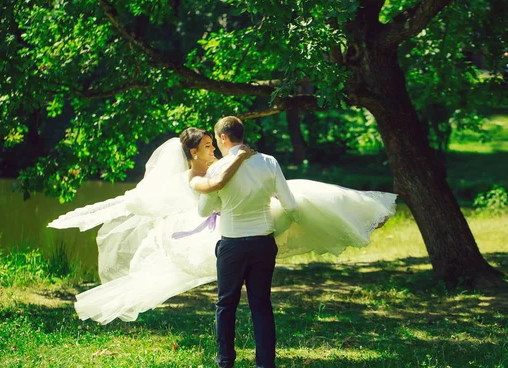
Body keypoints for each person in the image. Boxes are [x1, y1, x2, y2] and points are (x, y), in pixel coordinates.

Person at [48, 125, 397, 328]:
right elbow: (212, 193)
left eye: (213, 144)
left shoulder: (216, 165)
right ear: (193, 153)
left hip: (233, 224)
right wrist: (240, 158)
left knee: (303, 194)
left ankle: (359, 216)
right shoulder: (198, 174)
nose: (213, 148)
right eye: (206, 146)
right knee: (232, 299)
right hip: (214, 230)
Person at [195, 116, 297, 368]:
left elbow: (203, 210)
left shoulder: (217, 169)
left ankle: (225, 361)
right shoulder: (269, 162)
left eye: (216, 141)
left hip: (232, 245)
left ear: (222, 138)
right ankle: (265, 363)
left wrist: (222, 202)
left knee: (226, 304)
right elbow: (291, 205)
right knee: (261, 305)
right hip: (263, 242)